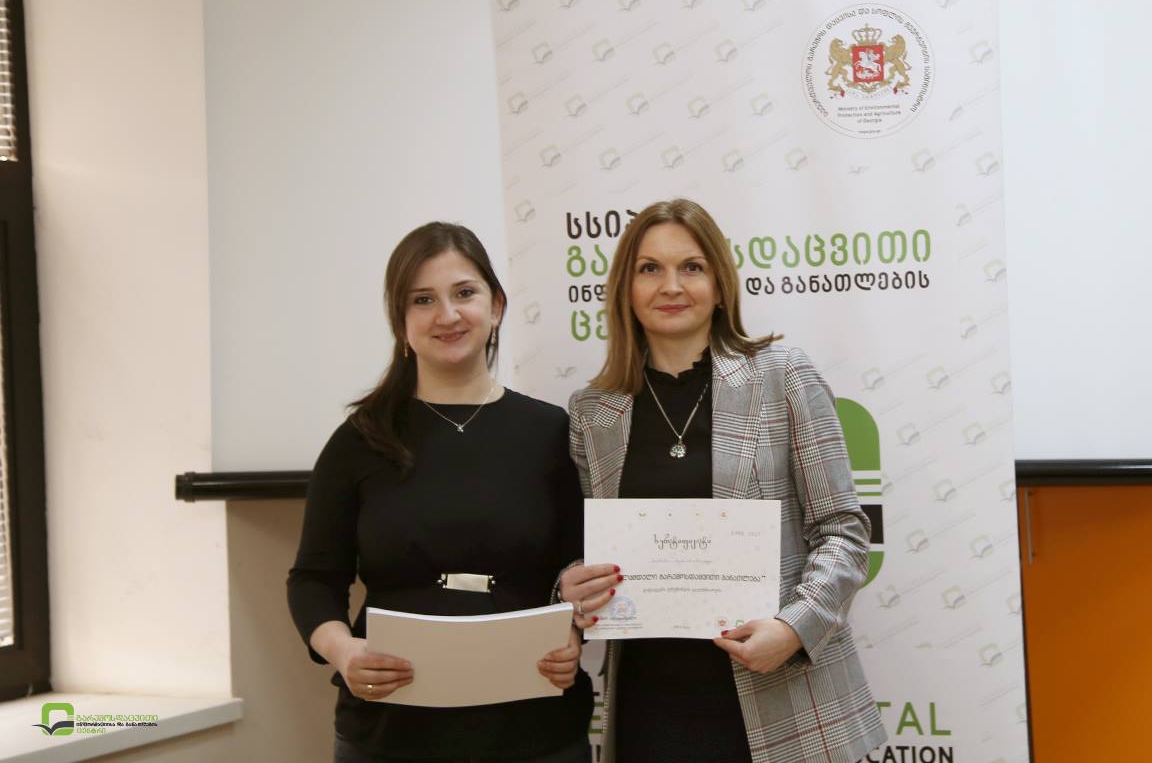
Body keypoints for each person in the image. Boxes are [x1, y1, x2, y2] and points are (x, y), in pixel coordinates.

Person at [558, 199, 886, 763]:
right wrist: (573, 587)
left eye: (691, 267)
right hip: (648, 705)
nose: (671, 285)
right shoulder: (593, 412)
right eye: (650, 268)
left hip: (778, 695)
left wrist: (794, 629)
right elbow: (587, 550)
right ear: (625, 289)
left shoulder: (784, 376)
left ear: (718, 284)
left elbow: (844, 531)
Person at [287, 222, 593, 763]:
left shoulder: (553, 433)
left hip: (535, 730)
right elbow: (314, 579)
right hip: (390, 733)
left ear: (496, 306)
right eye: (423, 299)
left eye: (464, 293)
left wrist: (574, 635)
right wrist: (344, 651)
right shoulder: (360, 440)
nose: (447, 315)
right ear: (401, 321)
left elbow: (582, 570)